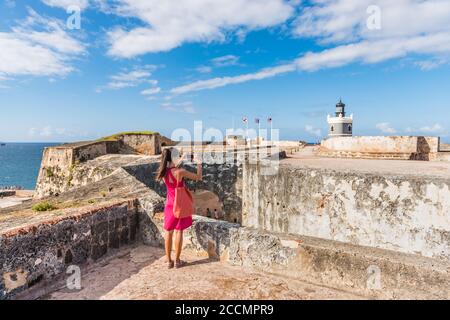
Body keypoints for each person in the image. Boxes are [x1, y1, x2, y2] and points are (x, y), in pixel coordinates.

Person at [155, 148, 202, 269]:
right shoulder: (180, 172)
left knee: (168, 232)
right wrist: (199, 163)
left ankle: (169, 261)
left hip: (169, 205)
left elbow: (173, 166)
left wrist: (182, 157)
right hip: (179, 205)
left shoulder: (163, 172)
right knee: (179, 231)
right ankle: (177, 261)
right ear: (173, 158)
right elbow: (198, 176)